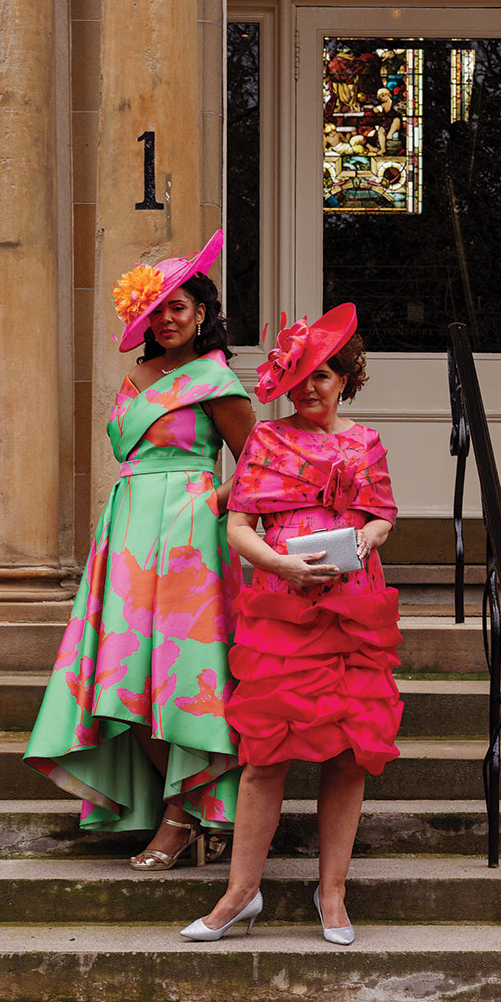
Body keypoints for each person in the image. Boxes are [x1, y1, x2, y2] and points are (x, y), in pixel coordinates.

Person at [25, 230, 257, 868]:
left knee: (181, 679)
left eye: (179, 306)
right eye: (156, 310)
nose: (168, 318)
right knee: (123, 680)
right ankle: (173, 806)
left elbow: (258, 464)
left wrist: (219, 504)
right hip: (127, 535)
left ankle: (182, 817)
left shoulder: (216, 380)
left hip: (191, 544)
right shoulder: (136, 378)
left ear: (202, 311)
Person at [180, 303, 400, 943]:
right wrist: (282, 564)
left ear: (345, 380)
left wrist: (364, 542)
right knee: (265, 758)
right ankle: (238, 895)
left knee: (351, 755)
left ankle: (332, 895)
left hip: (353, 611)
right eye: (301, 375)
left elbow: (382, 515)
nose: (310, 387)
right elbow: (237, 525)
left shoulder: (365, 443)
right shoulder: (268, 441)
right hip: (281, 612)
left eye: (324, 375)